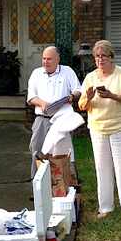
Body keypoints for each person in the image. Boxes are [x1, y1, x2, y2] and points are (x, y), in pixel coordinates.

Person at [78, 40, 121, 218]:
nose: (100, 59)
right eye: (97, 56)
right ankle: (105, 207)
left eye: (104, 56)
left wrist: (111, 95)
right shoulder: (90, 77)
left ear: (111, 57)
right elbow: (82, 105)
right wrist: (88, 98)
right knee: (102, 168)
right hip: (98, 128)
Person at [26, 46, 81, 176]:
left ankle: (67, 188)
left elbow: (79, 89)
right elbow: (31, 97)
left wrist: (72, 97)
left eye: (49, 59)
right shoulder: (36, 73)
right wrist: (42, 103)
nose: (46, 62)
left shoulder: (67, 71)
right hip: (41, 120)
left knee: (63, 154)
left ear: (58, 59)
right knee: (37, 153)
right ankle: (38, 189)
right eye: (44, 59)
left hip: (62, 120)